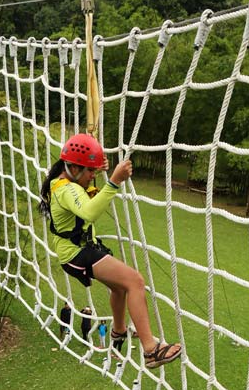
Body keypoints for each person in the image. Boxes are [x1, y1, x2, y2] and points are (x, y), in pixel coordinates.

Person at [39, 133, 181, 369]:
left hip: (80, 250)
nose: (92, 176)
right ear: (73, 168)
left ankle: (118, 330)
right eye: (89, 172)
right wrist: (113, 181)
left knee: (119, 287)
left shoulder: (66, 183)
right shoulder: (65, 190)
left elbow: (86, 196)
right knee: (135, 281)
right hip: (78, 253)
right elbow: (89, 211)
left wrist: (98, 177)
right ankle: (150, 350)